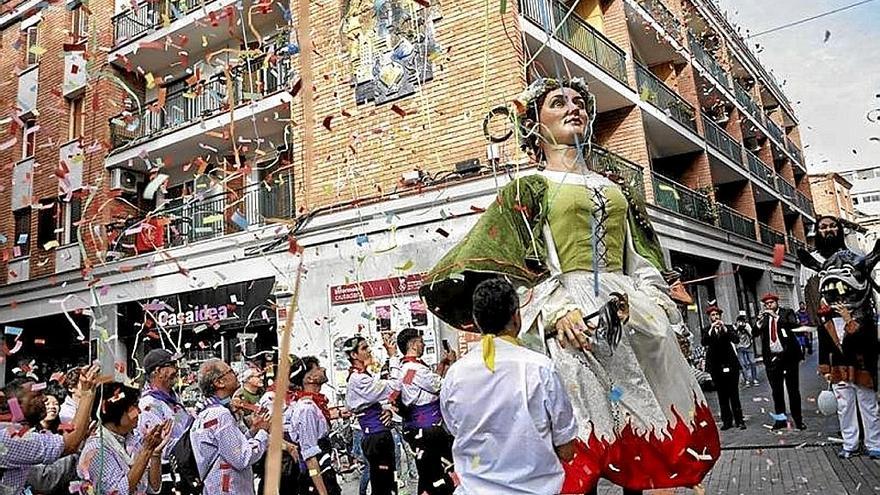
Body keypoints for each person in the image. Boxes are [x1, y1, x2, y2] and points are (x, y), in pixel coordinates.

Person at [420, 77, 719, 492]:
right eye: (558, 103)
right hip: (566, 315)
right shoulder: (529, 187)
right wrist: (555, 308)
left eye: (579, 102)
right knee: (579, 447)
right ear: (534, 125)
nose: (572, 107)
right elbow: (514, 265)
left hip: (627, 313)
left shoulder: (616, 188)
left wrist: (650, 297)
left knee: (645, 446)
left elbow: (643, 254)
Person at [441, 278, 583, 494]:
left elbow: (455, 429)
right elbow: (567, 449)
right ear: (516, 317)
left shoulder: (454, 375)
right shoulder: (540, 368)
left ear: (477, 322)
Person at [0, 364, 100, 495]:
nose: (45, 398)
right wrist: (87, 393)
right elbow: (68, 445)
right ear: (14, 405)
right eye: (37, 395)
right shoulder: (9, 437)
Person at [190, 358, 271, 495]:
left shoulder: (206, 413)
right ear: (219, 382)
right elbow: (242, 457)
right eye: (231, 372)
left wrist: (254, 430)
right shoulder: (220, 414)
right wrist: (263, 431)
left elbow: (230, 447)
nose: (237, 375)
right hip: (229, 489)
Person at [77, 382, 172, 495]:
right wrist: (146, 451)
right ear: (118, 410)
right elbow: (119, 492)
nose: (139, 412)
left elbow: (153, 488)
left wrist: (155, 453)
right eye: (135, 407)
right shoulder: (97, 450)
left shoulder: (131, 440)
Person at [394, 328, 456, 495]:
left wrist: (443, 365)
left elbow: (420, 388)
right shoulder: (414, 369)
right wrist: (454, 366)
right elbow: (440, 386)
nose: (423, 344)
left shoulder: (407, 369)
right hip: (429, 429)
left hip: (419, 427)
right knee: (439, 473)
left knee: (427, 474)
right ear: (413, 344)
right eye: (421, 342)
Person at [344, 336, 397, 495]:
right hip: (376, 437)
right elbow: (395, 387)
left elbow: (381, 397)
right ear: (354, 355)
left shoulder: (363, 376)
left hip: (379, 434)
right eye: (364, 348)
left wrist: (388, 409)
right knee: (383, 483)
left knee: (387, 480)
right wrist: (393, 357)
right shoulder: (358, 379)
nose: (369, 351)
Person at [136, 348, 194, 494]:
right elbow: (162, 446)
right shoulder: (149, 404)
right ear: (158, 371)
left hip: (184, 466)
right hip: (165, 472)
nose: (177, 369)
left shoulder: (171, 397)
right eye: (172, 365)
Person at [286, 356, 341, 495]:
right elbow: (309, 456)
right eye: (318, 368)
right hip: (317, 476)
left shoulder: (314, 404)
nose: (323, 369)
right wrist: (323, 492)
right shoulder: (307, 409)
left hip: (324, 470)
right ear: (310, 379)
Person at [754, 293, 804, 430]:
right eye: (766, 304)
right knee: (777, 392)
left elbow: (793, 325)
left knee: (793, 390)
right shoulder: (764, 319)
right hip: (772, 359)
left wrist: (776, 317)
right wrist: (758, 323)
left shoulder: (787, 313)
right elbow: (754, 333)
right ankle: (780, 420)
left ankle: (798, 420)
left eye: (771, 303)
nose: (769, 306)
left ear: (776, 303)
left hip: (788, 358)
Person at [701, 306, 745, 430]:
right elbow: (704, 342)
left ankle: (739, 420)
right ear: (710, 318)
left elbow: (736, 339)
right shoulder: (706, 330)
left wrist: (724, 329)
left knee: (734, 394)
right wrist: (711, 330)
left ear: (720, 316)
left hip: (731, 365)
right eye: (713, 315)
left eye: (717, 315)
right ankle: (727, 421)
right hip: (716, 367)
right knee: (722, 395)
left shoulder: (729, 328)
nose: (715, 317)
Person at [734, 311, 759, 387]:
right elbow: (734, 337)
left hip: (749, 346)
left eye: (742, 322)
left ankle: (754, 378)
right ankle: (747, 380)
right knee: (743, 364)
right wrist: (737, 328)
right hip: (739, 347)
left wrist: (746, 328)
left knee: (752, 362)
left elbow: (752, 334)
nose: (741, 323)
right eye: (739, 322)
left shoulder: (747, 326)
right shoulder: (735, 327)